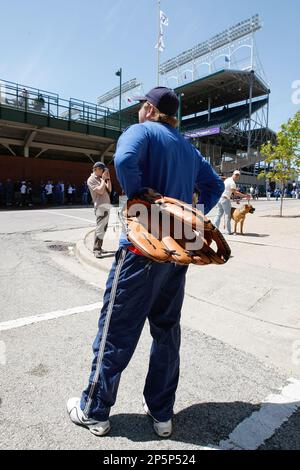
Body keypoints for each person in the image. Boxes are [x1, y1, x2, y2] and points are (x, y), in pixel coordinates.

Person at [67, 86, 224, 437]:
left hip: (141, 250)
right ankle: (162, 414)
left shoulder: (139, 131)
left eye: (142, 106)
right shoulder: (189, 149)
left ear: (151, 110)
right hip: (177, 252)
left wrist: (139, 198)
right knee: (167, 332)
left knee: (116, 330)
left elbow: (123, 161)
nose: (139, 112)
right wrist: (189, 219)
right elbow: (214, 187)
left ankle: (94, 410)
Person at [86, 162, 112, 258]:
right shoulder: (91, 180)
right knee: (100, 228)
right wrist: (103, 180)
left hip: (106, 206)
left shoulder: (101, 179)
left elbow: (109, 190)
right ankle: (96, 250)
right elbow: (100, 191)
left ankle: (99, 247)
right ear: (96, 169)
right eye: (102, 170)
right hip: (100, 206)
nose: (103, 172)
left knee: (103, 228)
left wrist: (108, 179)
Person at [214, 170, 250, 236]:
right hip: (225, 200)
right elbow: (235, 192)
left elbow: (229, 192)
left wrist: (235, 199)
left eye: (237, 175)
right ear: (233, 174)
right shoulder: (233, 183)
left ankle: (214, 229)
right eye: (236, 175)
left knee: (219, 214)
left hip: (220, 198)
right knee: (228, 215)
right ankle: (228, 231)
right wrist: (245, 196)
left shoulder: (227, 180)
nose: (236, 176)